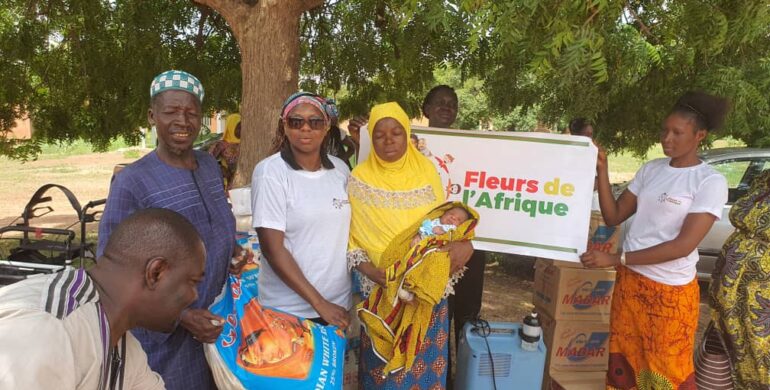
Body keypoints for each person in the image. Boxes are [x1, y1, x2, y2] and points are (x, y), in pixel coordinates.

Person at [98, 70, 239, 390]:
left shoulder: (207, 166)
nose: (182, 120)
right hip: (167, 342)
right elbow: (109, 269)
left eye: (191, 112)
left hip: (220, 327)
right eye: (171, 111)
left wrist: (234, 250)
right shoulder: (133, 181)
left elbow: (218, 224)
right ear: (152, 116)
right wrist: (183, 317)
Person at [580, 91, 730, 388]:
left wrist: (615, 258)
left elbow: (682, 246)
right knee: (624, 365)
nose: (666, 138)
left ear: (699, 135)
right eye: (664, 130)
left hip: (669, 294)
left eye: (677, 132)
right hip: (630, 286)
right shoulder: (652, 169)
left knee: (666, 373)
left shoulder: (709, 181)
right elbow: (613, 216)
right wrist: (602, 169)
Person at [0, 208, 205, 389]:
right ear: (156, 273)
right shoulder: (48, 330)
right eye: (192, 282)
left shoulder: (122, 347)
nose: (194, 296)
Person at [348, 101, 474, 388]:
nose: (388, 140)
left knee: (425, 366)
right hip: (382, 292)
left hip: (427, 289)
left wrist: (457, 249)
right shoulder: (359, 178)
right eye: (380, 134)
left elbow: (445, 225)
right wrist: (371, 272)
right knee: (384, 371)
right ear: (371, 139)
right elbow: (353, 237)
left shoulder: (427, 173)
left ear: (407, 135)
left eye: (397, 132)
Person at [251, 91, 351, 328]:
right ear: (285, 126)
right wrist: (319, 303)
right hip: (289, 311)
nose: (305, 128)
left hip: (337, 306)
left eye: (315, 122)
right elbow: (272, 249)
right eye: (296, 122)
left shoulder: (340, 170)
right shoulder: (270, 173)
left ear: (327, 126)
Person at [422, 85, 487, 378]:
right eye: (440, 102)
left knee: (466, 321)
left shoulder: (474, 149)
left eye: (452, 103)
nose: (446, 107)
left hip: (470, 249)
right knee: (433, 321)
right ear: (426, 109)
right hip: (426, 248)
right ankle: (439, 380)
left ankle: (465, 380)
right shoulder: (411, 147)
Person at [709, 168, 770, 388]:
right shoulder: (764, 178)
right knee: (736, 348)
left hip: (761, 293)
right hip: (733, 293)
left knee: (760, 351)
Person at [208, 113, 241, 190]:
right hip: (232, 186)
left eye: (241, 127)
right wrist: (221, 169)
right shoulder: (221, 145)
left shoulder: (246, 142)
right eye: (237, 127)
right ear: (230, 126)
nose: (240, 130)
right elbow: (207, 161)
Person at [323, 98, 357, 169]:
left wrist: (340, 161)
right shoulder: (314, 134)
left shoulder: (337, 132)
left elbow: (352, 147)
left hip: (338, 170)